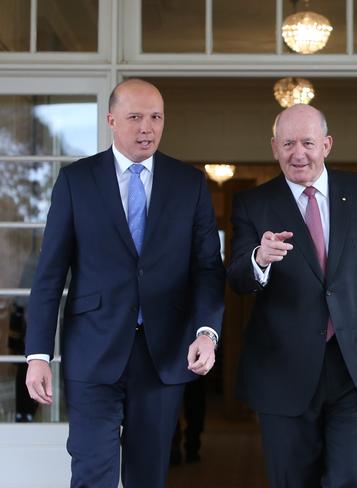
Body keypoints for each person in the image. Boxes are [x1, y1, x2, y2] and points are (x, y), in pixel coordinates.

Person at [24, 78, 225, 488]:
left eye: (155, 117)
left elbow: (207, 267)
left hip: (164, 354)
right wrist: (38, 355)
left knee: (146, 477)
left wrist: (207, 332)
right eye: (135, 117)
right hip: (93, 352)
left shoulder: (189, 184)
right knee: (92, 473)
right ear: (112, 120)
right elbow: (50, 273)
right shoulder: (76, 181)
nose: (146, 127)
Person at [228, 104, 357, 487]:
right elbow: (237, 278)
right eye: (288, 143)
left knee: (350, 477)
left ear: (327, 145)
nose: (298, 153)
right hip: (283, 371)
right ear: (274, 147)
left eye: (308, 142)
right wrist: (258, 259)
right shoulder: (254, 203)